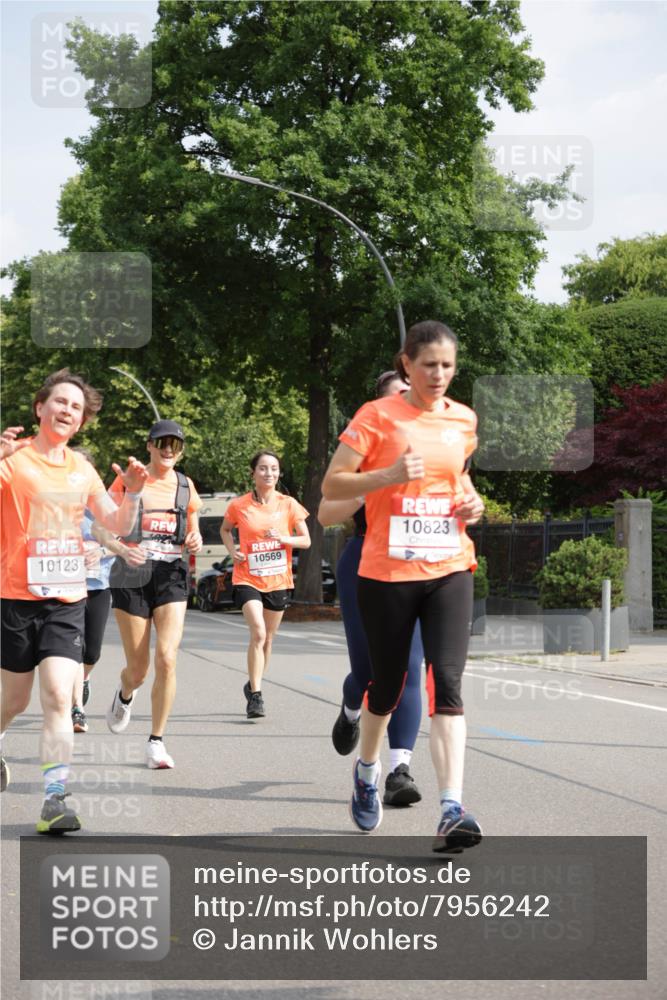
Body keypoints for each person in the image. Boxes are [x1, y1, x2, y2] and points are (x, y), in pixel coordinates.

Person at [321, 321, 485, 850]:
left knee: (450, 686)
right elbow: (333, 485)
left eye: (448, 366)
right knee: (386, 688)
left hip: (449, 566)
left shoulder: (463, 419)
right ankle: (367, 771)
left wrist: (473, 504)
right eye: (430, 364)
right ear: (407, 364)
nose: (439, 375)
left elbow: (459, 479)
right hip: (387, 572)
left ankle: (452, 808)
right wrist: (387, 475)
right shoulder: (376, 416)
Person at [0, 369, 149, 833]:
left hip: (67, 596)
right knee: (14, 700)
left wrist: (136, 494)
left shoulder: (82, 469)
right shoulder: (13, 459)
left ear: (81, 422)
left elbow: (117, 523)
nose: (67, 411)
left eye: (76, 408)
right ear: (40, 407)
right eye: (60, 402)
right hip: (15, 596)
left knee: (59, 697)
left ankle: (55, 798)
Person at [318, 371, 425, 808]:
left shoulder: (433, 446)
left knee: (410, 669)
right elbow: (325, 514)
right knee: (369, 674)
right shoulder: (360, 453)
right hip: (364, 560)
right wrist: (378, 482)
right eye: (399, 395)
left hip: (415, 563)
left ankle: (399, 770)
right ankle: (350, 710)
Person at [105, 420, 202, 770]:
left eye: (175, 445)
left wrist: (195, 539)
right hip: (132, 571)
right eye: (162, 443)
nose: (169, 450)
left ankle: (156, 743)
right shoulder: (131, 478)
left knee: (167, 657)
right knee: (139, 668)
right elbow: (106, 525)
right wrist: (119, 547)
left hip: (171, 573)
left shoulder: (185, 485)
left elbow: (193, 531)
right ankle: (125, 693)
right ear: (149, 445)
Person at [221, 451, 310, 719]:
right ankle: (256, 697)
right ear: (253, 473)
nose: (268, 473)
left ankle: (253, 682)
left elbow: (305, 540)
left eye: (273, 469)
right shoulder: (239, 505)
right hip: (247, 576)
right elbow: (225, 529)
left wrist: (284, 538)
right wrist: (232, 549)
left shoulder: (289, 504)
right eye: (262, 468)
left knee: (268, 639)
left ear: (278, 473)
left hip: (278, 579)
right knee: (258, 633)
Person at [69, 447, 147, 734]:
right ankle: (76, 708)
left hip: (99, 584)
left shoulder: (103, 506)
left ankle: (84, 679)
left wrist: (99, 550)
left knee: (92, 651)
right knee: (73, 649)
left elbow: (117, 538)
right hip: (68, 589)